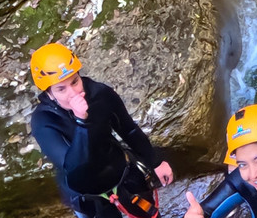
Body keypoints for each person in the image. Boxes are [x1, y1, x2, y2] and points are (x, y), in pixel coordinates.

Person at [29, 43, 173, 218]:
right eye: (61, 89)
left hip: (122, 174)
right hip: (88, 196)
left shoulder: (100, 94)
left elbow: (128, 130)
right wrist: (82, 122)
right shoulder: (44, 121)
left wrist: (156, 162)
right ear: (49, 93)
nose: (73, 93)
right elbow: (74, 169)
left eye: (75, 81)